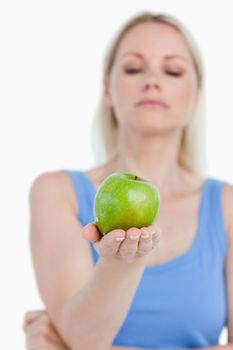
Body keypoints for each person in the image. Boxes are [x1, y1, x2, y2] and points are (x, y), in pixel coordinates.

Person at [23, 11, 233, 350]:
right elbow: (85, 339)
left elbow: (73, 346)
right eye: (134, 68)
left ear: (196, 94)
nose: (152, 81)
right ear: (107, 89)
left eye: (173, 70)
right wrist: (121, 261)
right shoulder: (57, 193)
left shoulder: (227, 206)